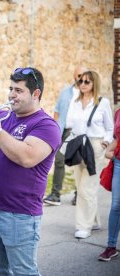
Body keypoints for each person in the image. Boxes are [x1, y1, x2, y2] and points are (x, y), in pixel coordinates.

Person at [0, 67, 61, 275]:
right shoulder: (4, 118)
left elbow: (26, 156)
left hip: (18, 213)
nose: (11, 94)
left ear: (36, 94)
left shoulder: (46, 125)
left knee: (24, 271)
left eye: (19, 90)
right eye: (10, 88)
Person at [66, 71, 113, 239]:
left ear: (95, 83)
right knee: (81, 187)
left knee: (88, 188)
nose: (83, 84)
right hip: (78, 145)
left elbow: (110, 127)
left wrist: (106, 141)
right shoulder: (75, 101)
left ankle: (83, 226)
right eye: (81, 81)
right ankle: (93, 221)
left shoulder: (103, 102)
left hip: (95, 145)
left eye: (87, 81)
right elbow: (69, 123)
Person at [44, 66, 88, 206]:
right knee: (59, 161)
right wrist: (56, 128)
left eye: (84, 75)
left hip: (79, 133)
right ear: (74, 76)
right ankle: (55, 195)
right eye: (79, 75)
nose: (82, 78)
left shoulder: (88, 94)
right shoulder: (65, 92)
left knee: (79, 163)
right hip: (64, 131)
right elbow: (57, 110)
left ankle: (78, 195)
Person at [98, 107, 120, 261]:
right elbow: (117, 138)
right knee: (116, 206)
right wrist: (108, 151)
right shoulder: (119, 113)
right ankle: (111, 246)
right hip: (119, 162)